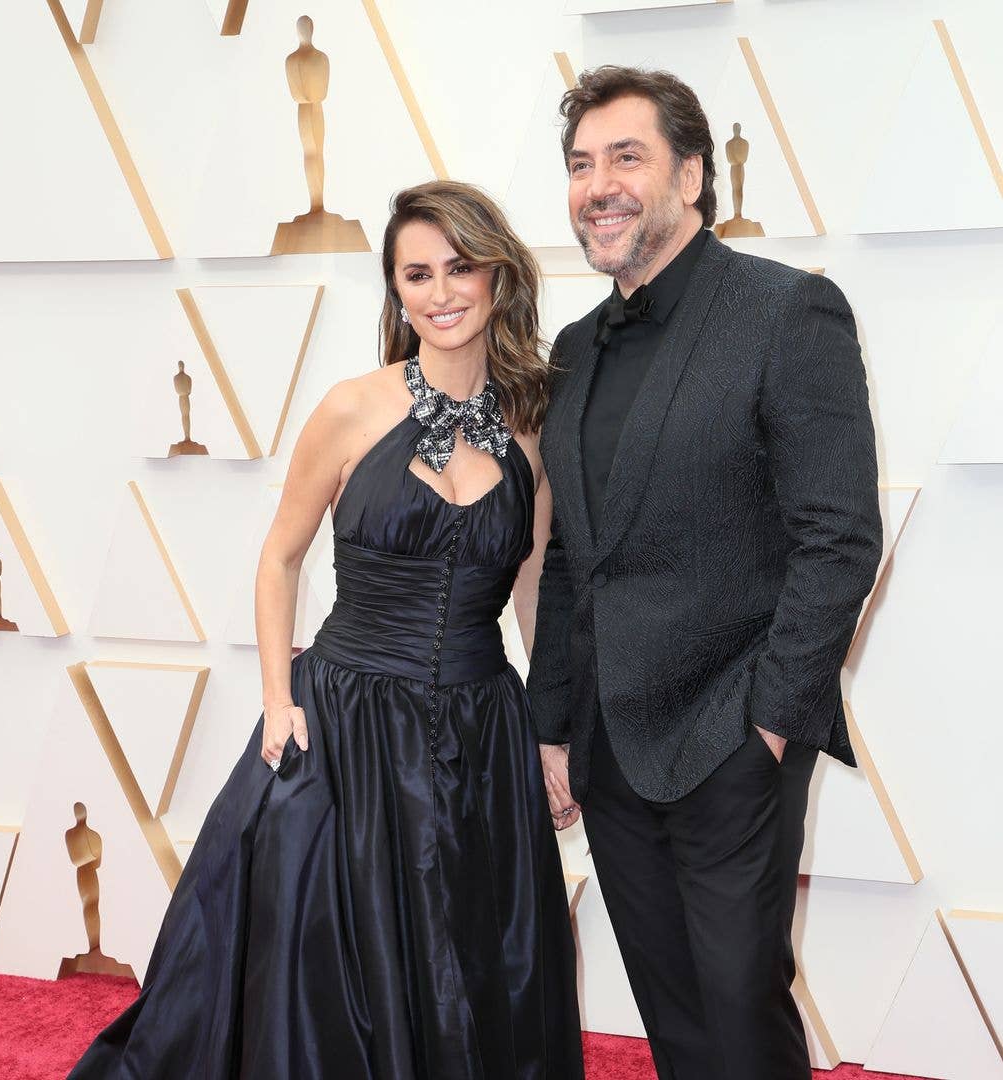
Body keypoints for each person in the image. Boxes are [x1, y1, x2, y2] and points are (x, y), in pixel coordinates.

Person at [68, 180, 584, 1079]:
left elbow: (531, 586)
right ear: (396, 291)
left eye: (460, 267)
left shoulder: (530, 428)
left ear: (498, 276)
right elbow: (279, 558)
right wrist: (276, 697)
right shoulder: (352, 407)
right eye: (416, 274)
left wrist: (550, 731)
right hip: (345, 721)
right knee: (327, 968)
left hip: (481, 730)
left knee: (477, 956)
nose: (441, 291)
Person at [529, 66, 883, 1080]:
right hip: (608, 737)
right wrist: (553, 723)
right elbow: (569, 559)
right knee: (672, 1011)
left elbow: (840, 536)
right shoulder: (573, 350)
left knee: (736, 1013)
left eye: (625, 157)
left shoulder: (787, 313)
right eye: (580, 164)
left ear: (691, 175)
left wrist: (770, 722)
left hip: (733, 732)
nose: (599, 183)